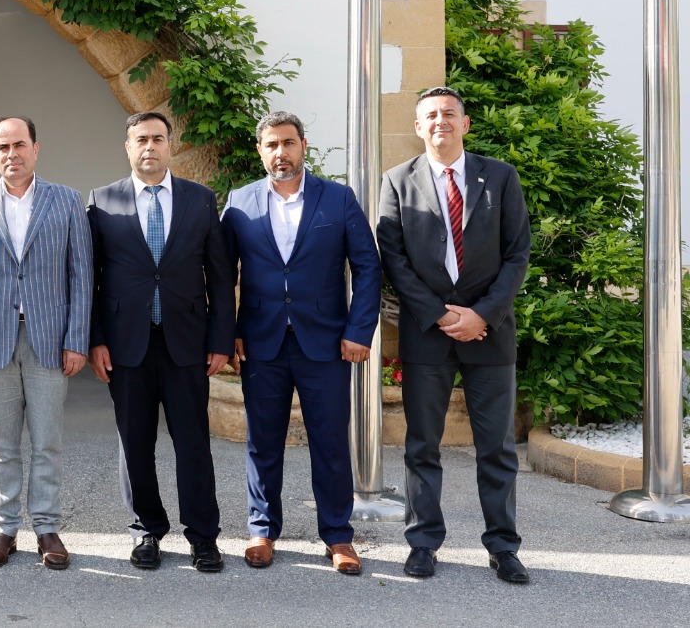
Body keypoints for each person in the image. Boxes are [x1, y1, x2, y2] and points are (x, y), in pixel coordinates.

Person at [377, 86, 532, 584]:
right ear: (418, 127)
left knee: (497, 448)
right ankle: (422, 543)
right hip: (427, 334)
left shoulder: (501, 177)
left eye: (449, 113)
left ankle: (503, 547)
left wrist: (482, 314)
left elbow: (517, 254)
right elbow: (393, 259)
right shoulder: (397, 180)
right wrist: (440, 315)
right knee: (422, 444)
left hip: (490, 333)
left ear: (464, 124)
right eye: (430, 115)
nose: (440, 121)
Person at [220, 111, 382, 574]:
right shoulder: (240, 202)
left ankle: (338, 535)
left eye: (288, 143)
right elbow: (221, 273)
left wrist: (358, 331)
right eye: (271, 144)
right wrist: (228, 333)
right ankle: (261, 530)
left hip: (326, 343)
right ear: (260, 151)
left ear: (303, 146)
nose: (281, 152)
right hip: (261, 342)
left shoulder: (338, 198)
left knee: (330, 442)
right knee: (262, 442)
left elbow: (367, 267)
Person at [86, 110, 234, 572]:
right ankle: (146, 530)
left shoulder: (199, 200)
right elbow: (90, 278)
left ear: (170, 145)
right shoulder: (101, 200)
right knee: (135, 443)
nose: (149, 146)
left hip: (186, 343)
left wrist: (221, 340)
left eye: (157, 138)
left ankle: (203, 537)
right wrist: (96, 339)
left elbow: (220, 276)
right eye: (141, 139)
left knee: (193, 443)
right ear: (127, 147)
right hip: (125, 345)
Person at [0, 116, 91, 570]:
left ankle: (47, 527)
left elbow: (82, 275)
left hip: (49, 338)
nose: (12, 154)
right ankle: (5, 528)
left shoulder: (67, 200)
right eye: (3, 146)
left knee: (48, 441)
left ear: (35, 148)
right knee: (2, 444)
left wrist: (77, 339)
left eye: (19, 145)